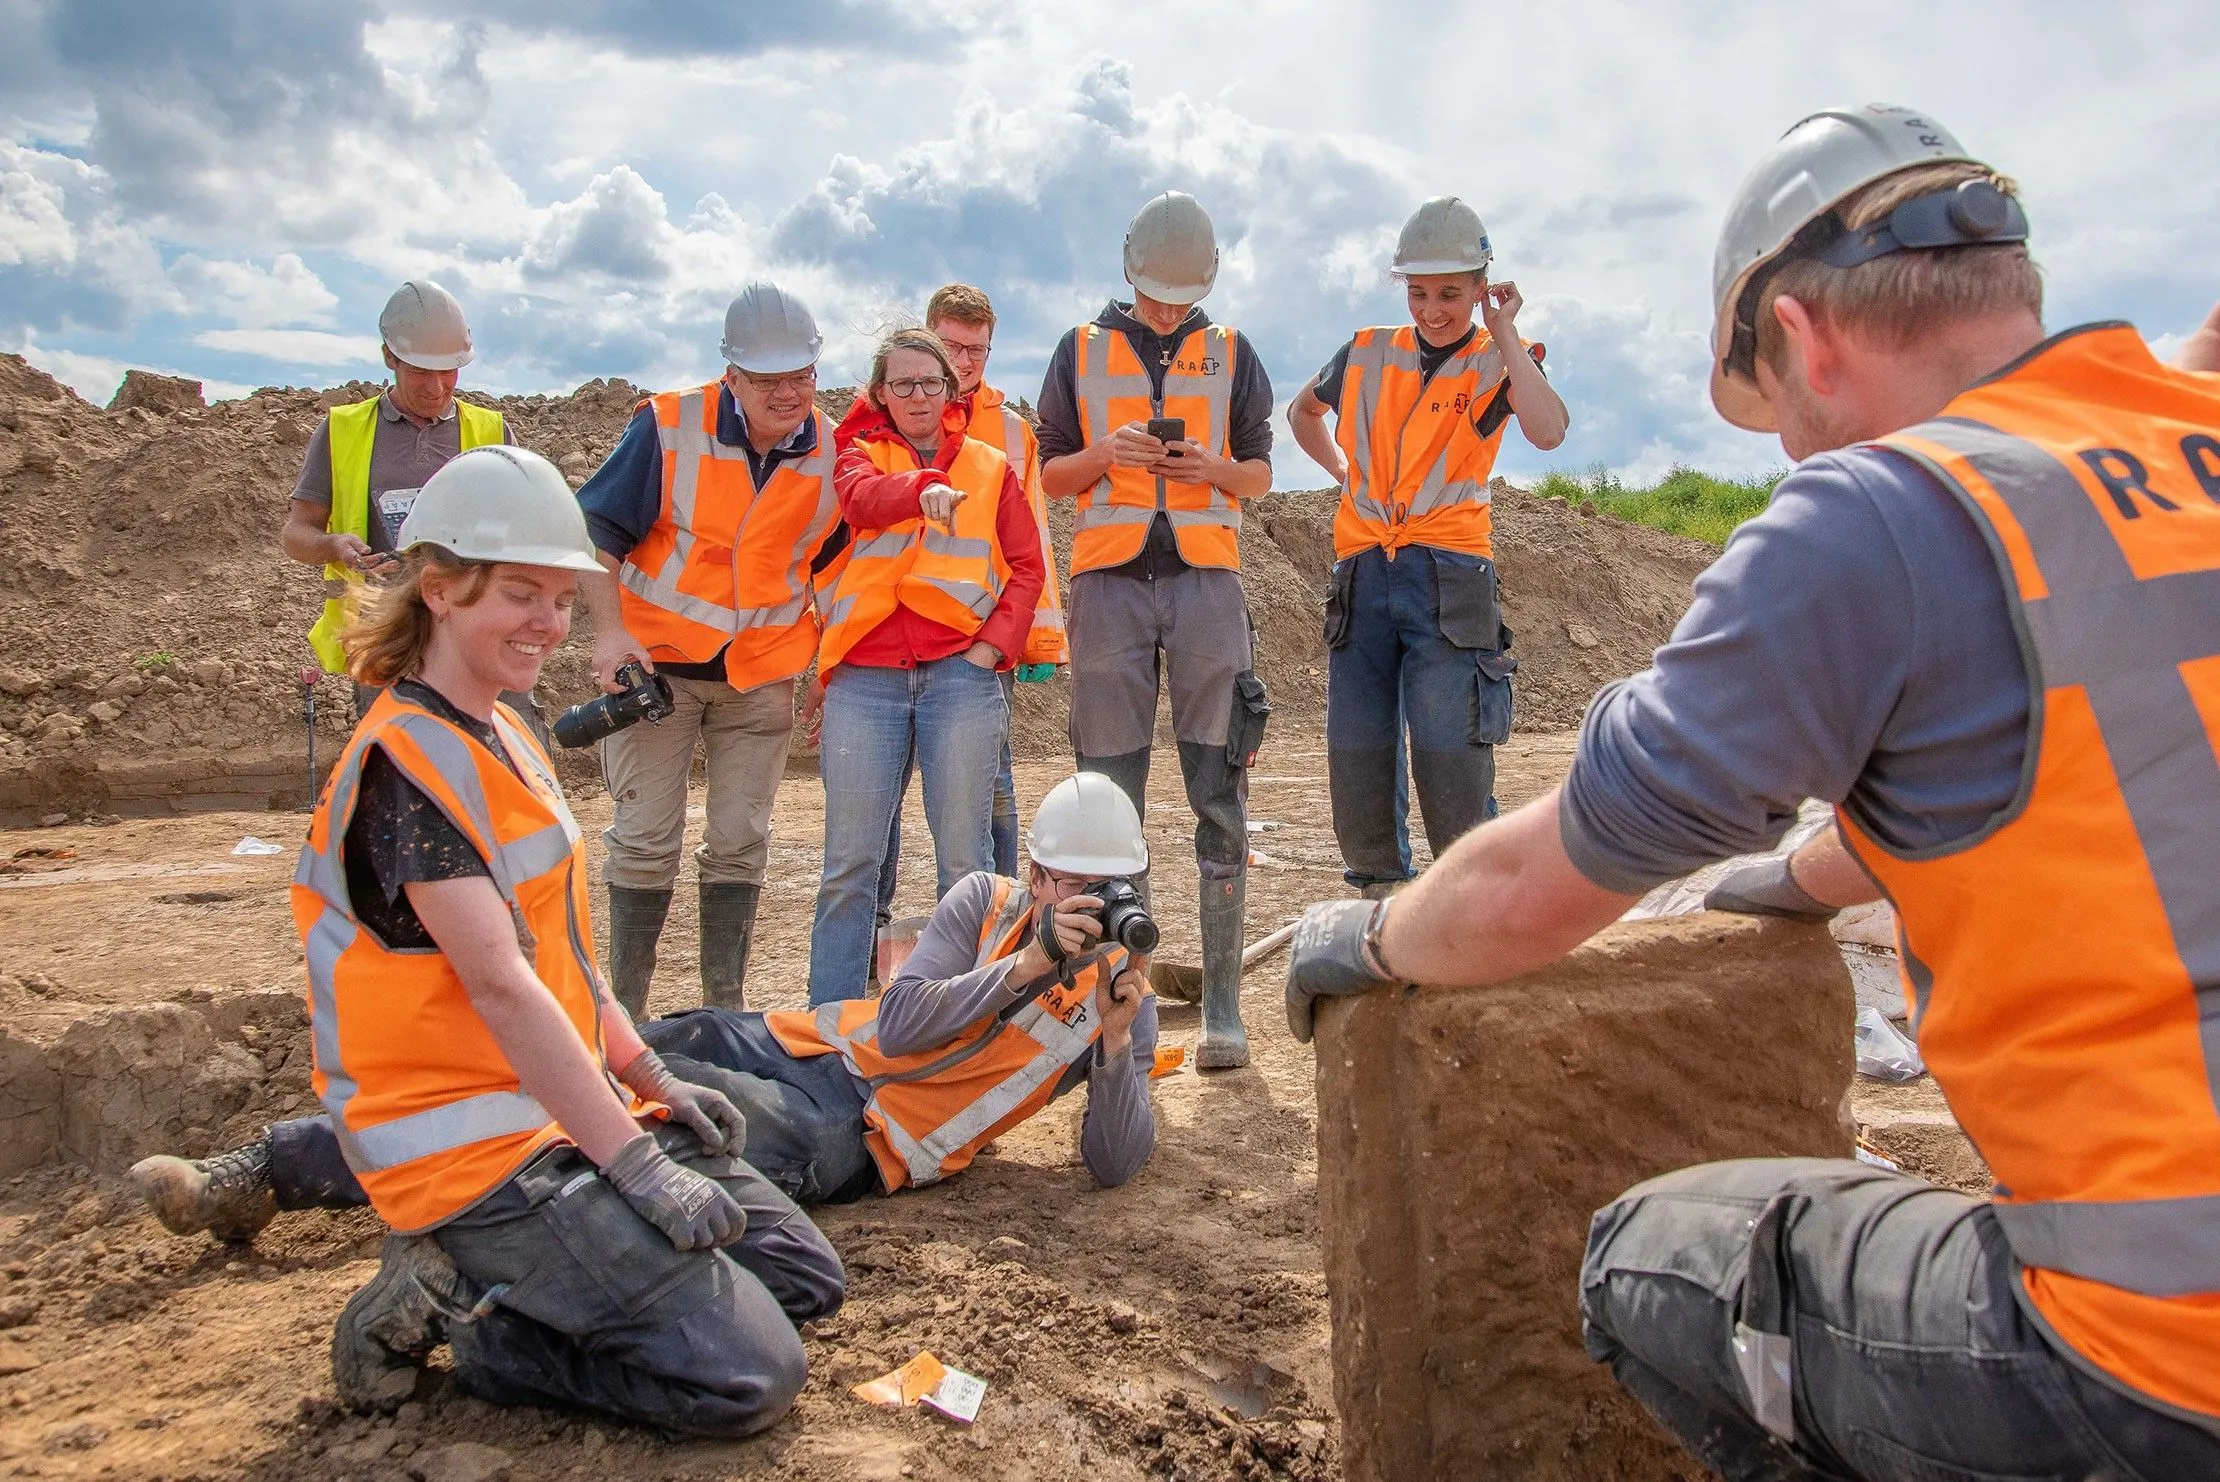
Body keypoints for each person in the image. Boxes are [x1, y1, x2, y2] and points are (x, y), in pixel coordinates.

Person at [1283, 104, 2220, 1479]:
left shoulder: (1880, 518)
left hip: (2161, 1357)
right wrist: (1801, 871)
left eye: (1774, 402)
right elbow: (2070, 759)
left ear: (1808, 333)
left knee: (1652, 1262)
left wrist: (1363, 937)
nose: (1787, 448)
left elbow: (1541, 883)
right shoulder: (2181, 440)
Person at [269, 444, 842, 1435]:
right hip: (480, 1155)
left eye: (561, 599)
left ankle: (548, 1275)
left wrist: (650, 1078)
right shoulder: (407, 769)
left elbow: (561, 958)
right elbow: (501, 990)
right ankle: (467, 1315)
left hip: (564, 1108)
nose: (547, 623)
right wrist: (638, 1163)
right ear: (439, 591)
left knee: (803, 1277)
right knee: (754, 1376)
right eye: (519, 596)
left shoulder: (504, 730)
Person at [131, 771, 1157, 1233]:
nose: (1084, 907)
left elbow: (1114, 1166)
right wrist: (1023, 967)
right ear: (1034, 866)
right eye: (1067, 883)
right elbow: (901, 1022)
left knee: (606, 1134)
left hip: (848, 1126)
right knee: (577, 1057)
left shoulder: (1120, 996)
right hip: (793, 1042)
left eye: (1105, 891)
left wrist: (1111, 1046)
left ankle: (283, 1171)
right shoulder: (987, 903)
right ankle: (286, 1155)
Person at [1036, 190, 1276, 1070]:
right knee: (1109, 799)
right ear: (1128, 269)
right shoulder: (1081, 351)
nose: (1169, 312)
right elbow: (1054, 474)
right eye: (1155, 295)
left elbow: (1257, 474)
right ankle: (1118, 1007)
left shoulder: (1235, 354)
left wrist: (1211, 467)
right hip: (1110, 589)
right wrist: (1110, 454)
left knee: (1220, 790)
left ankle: (1221, 1007)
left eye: (1183, 298)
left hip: (1208, 585)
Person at [573, 283, 847, 1017]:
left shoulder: (830, 450)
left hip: (760, 677)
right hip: (655, 672)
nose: (788, 394)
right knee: (644, 841)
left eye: (801, 377)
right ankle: (623, 1014)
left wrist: (833, 662)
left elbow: (838, 569)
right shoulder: (667, 428)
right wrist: (610, 632)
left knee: (739, 843)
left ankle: (723, 1006)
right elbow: (595, 536)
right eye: (768, 381)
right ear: (732, 376)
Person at [1286, 197, 1568, 895]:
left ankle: (1467, 906)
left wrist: (1504, 333)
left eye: (1451, 293)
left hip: (1450, 576)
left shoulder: (1496, 361)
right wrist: (1345, 474)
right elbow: (1302, 412)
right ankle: (1381, 898)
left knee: (1451, 758)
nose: (1433, 309)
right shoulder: (1367, 350)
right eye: (1418, 293)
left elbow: (1549, 429)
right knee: (1359, 754)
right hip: (1363, 573)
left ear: (1481, 286)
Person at [805, 328, 1046, 1006]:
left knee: (965, 866)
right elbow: (861, 503)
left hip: (960, 679)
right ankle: (831, 1029)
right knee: (849, 866)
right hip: (866, 679)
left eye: (930, 383)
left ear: (951, 390)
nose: (917, 396)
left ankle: (964, 1020)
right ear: (881, 393)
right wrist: (922, 488)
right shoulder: (856, 455)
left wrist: (993, 648)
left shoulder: (990, 466)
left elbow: (1027, 567)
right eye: (902, 384)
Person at [278, 280, 542, 738]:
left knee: (505, 762)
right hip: (388, 630)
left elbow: (527, 533)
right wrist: (335, 546)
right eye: (421, 371)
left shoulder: (491, 431)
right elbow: (296, 533)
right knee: (404, 767)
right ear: (390, 357)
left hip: (479, 625)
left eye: (449, 372)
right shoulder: (343, 432)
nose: (436, 387)